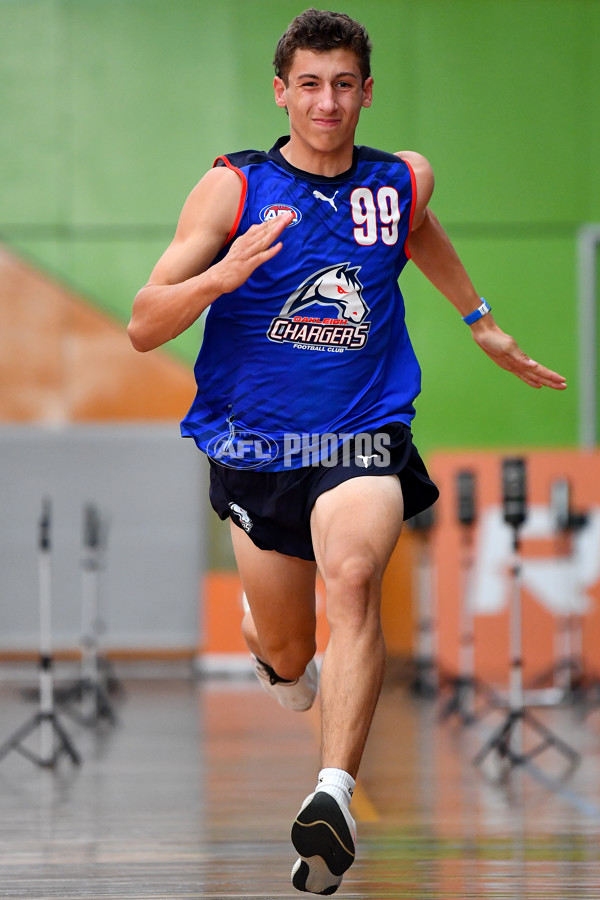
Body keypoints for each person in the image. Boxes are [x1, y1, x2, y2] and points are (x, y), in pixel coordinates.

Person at [128, 9, 566, 894]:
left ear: (366, 93)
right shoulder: (234, 189)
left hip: (362, 431)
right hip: (252, 444)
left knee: (356, 577)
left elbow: (417, 229)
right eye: (310, 85)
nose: (327, 103)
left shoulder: (400, 180)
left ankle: (331, 796)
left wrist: (481, 322)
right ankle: (275, 653)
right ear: (282, 92)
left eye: (344, 85)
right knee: (290, 651)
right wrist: (222, 275)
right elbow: (144, 324)